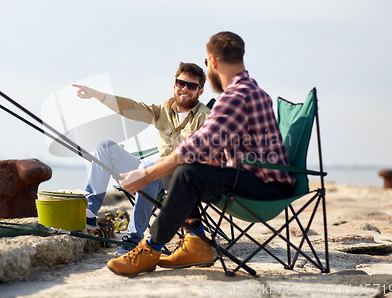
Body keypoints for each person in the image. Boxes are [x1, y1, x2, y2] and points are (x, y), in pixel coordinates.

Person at [107, 31, 297, 276]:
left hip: (264, 188)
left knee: (185, 170)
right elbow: (214, 144)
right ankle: (196, 242)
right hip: (258, 180)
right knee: (179, 167)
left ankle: (151, 247)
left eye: (207, 64)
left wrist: (147, 174)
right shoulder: (252, 91)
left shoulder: (237, 96)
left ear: (213, 62)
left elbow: (199, 144)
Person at [72, 62, 210, 255]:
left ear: (200, 91)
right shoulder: (164, 110)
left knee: (147, 167)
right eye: (181, 83)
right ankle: (90, 211)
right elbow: (132, 107)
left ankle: (133, 238)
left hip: (179, 178)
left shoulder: (205, 117)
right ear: (174, 85)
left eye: (192, 86)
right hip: (153, 171)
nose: (185, 89)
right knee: (105, 147)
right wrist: (98, 95)